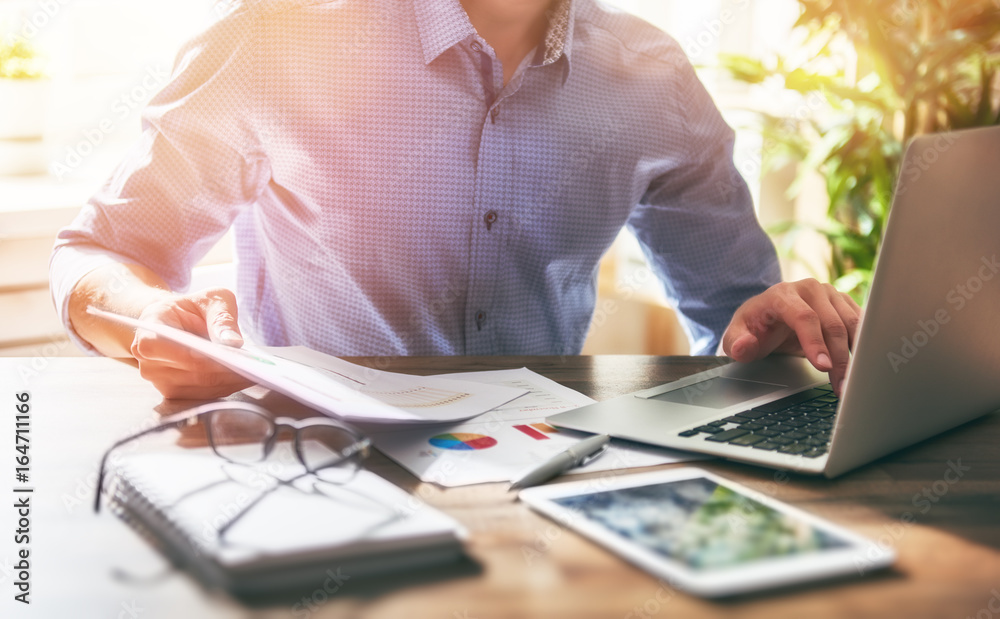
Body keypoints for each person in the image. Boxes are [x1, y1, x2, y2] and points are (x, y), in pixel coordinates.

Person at [50, 0, 859, 400]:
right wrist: (146, 318)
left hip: (549, 491)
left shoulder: (654, 76)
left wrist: (777, 321)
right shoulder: (276, 38)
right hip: (315, 474)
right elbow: (99, 253)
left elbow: (737, 321)